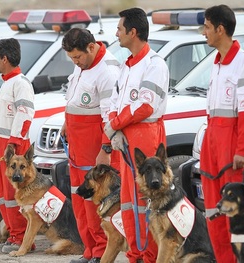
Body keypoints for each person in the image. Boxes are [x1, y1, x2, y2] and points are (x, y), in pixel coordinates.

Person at [103, 7, 169, 263]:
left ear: (133, 32)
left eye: (119, 29)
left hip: (145, 135)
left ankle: (150, 256)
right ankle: (136, 254)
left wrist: (116, 124)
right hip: (125, 136)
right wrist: (113, 126)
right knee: (129, 201)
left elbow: (146, 106)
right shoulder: (126, 66)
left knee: (147, 200)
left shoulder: (154, 64)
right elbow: (114, 101)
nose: (116, 33)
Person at [200, 5, 244, 263]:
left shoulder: (242, 64)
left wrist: (242, 151)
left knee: (239, 217)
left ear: (220, 30)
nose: (204, 32)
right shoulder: (217, 64)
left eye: (207, 27)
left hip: (232, 150)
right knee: (215, 212)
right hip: (213, 146)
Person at [61, 28, 121, 263]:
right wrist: (66, 121)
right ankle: (89, 249)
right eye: (72, 58)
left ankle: (101, 252)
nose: (75, 62)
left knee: (95, 204)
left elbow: (110, 114)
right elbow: (75, 98)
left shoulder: (107, 70)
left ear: (92, 47)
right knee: (79, 201)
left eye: (78, 57)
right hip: (77, 147)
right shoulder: (83, 65)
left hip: (94, 149)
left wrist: (105, 149)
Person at [0, 38, 35, 254]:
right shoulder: (7, 82)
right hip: (1, 145)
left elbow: (25, 115)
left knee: (13, 195)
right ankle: (13, 234)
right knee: (2, 194)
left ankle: (22, 238)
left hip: (12, 147)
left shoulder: (21, 83)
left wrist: (13, 144)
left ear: (5, 58)